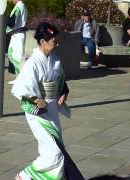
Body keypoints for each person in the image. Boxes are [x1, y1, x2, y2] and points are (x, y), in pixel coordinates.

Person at [11, 22, 84, 180]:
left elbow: (61, 81)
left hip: (52, 109)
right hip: (37, 112)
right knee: (55, 153)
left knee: (53, 149)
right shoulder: (33, 63)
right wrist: (36, 99)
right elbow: (19, 89)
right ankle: (24, 176)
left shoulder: (55, 59)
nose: (57, 43)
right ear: (42, 42)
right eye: (53, 41)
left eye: (57, 40)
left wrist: (63, 92)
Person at [6, 0, 27, 75]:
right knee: (13, 54)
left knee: (18, 56)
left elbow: (12, 22)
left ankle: (21, 77)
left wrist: (5, 20)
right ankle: (18, 76)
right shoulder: (21, 6)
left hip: (18, 35)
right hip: (17, 34)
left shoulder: (19, 6)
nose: (11, 1)